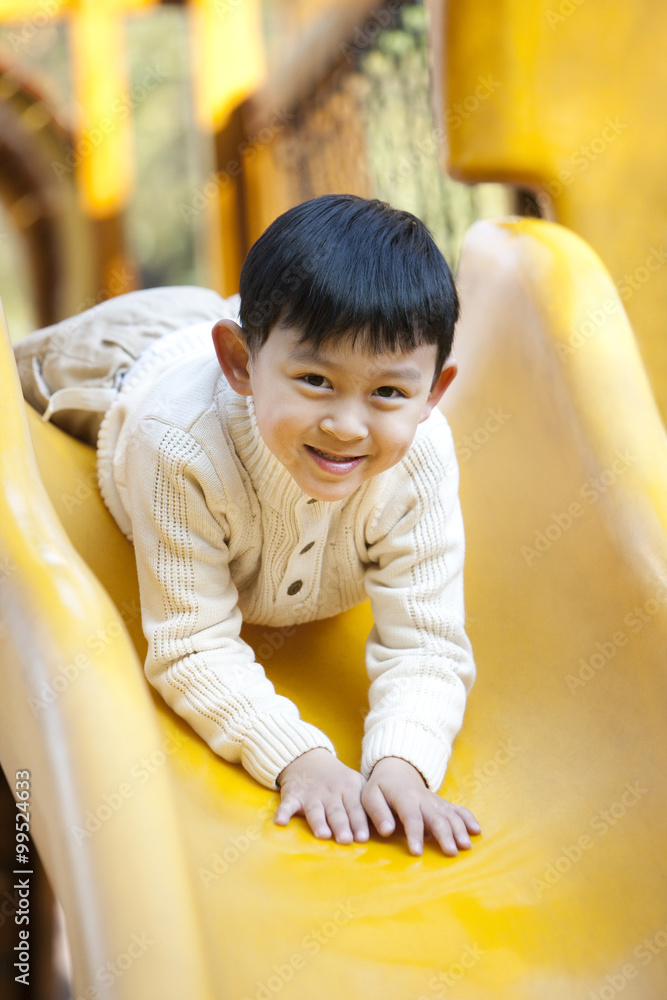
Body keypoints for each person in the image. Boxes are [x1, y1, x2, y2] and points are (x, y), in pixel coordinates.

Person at [15, 194, 480, 857]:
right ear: (238, 365)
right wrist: (301, 760)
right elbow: (189, 646)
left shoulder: (422, 457)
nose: (347, 426)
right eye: (316, 381)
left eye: (387, 393)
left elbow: (428, 645)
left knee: (290, 331)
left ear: (433, 393)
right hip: (125, 360)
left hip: (243, 336)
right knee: (25, 373)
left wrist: (401, 766)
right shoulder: (177, 443)